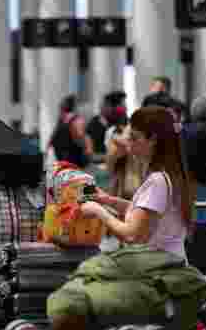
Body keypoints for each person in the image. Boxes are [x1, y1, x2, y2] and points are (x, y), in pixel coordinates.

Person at [79, 106, 194, 259]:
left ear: (153, 140)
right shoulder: (170, 175)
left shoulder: (158, 181)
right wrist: (108, 200)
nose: (128, 144)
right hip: (166, 264)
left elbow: (132, 235)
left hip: (159, 270)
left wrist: (98, 211)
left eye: (134, 138)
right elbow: (144, 214)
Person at [49, 94, 93, 168]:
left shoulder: (69, 121)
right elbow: (83, 139)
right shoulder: (72, 121)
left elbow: (81, 139)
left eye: (61, 108)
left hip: (71, 163)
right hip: (71, 163)